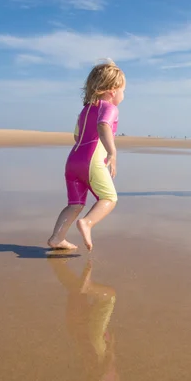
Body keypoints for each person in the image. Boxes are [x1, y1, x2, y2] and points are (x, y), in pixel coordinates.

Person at [48, 60, 125, 251]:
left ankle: (57, 238)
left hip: (73, 160)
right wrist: (112, 151)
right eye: (123, 90)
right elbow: (103, 125)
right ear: (113, 90)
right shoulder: (110, 108)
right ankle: (88, 223)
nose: (123, 95)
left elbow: (76, 135)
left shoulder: (84, 110)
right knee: (109, 198)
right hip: (91, 161)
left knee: (74, 204)